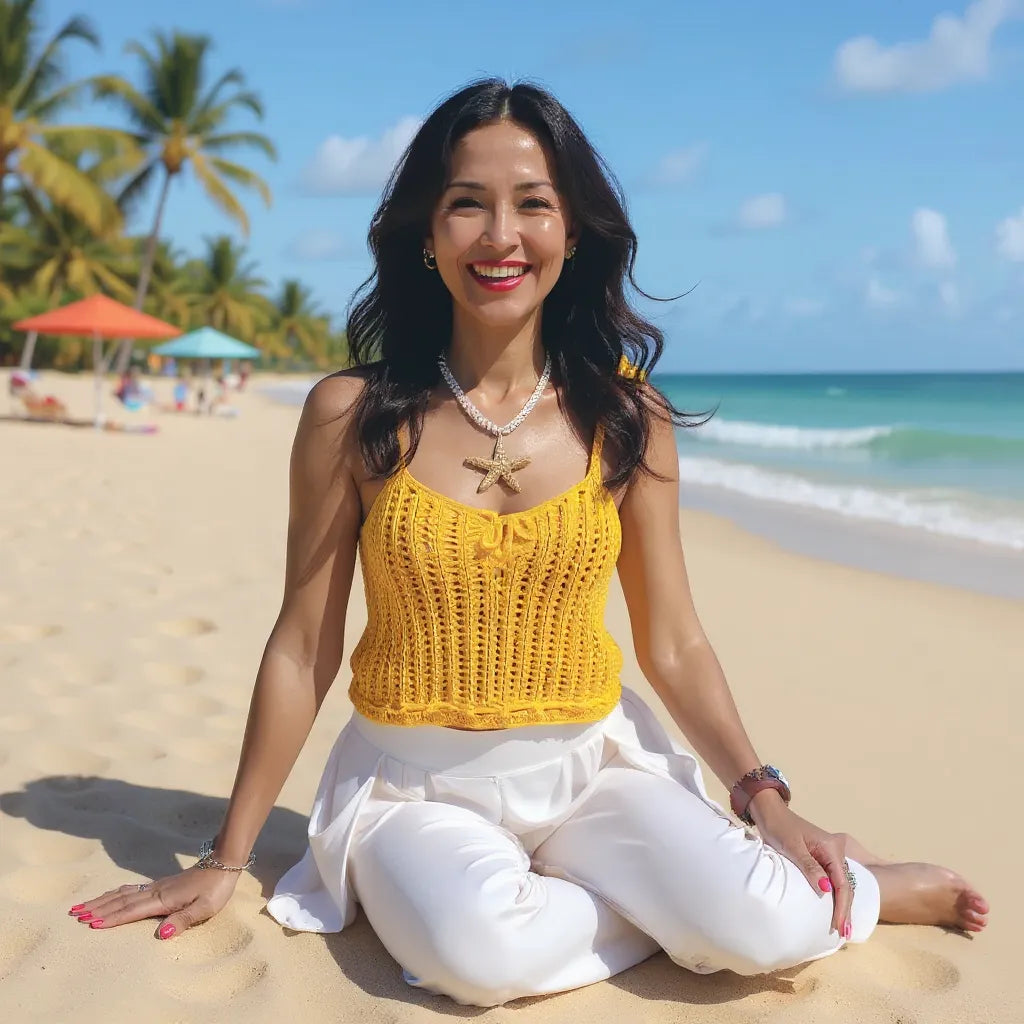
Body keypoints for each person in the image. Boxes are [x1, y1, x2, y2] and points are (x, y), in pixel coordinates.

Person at [66, 79, 988, 1007]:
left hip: (591, 766)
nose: (500, 235)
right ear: (426, 235)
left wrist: (766, 800)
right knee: (482, 961)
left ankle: (852, 886)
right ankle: (691, 897)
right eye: (467, 203)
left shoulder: (628, 419)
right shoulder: (351, 417)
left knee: (775, 928)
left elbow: (673, 640)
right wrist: (227, 859)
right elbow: (304, 643)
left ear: (573, 232)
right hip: (412, 789)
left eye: (533, 204)